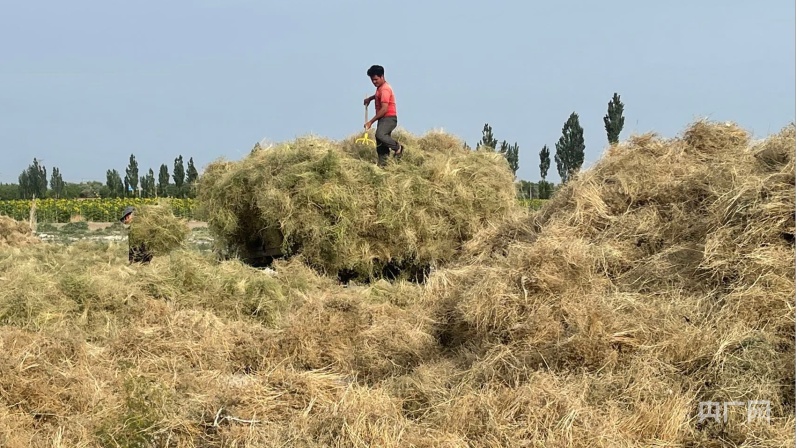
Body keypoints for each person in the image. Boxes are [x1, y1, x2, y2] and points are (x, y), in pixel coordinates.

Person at [363, 65, 404, 166]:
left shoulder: (385, 89)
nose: (374, 82)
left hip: (389, 118)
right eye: (372, 80)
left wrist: (370, 122)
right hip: (383, 119)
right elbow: (378, 95)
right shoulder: (380, 88)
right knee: (380, 143)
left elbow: (384, 109)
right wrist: (370, 99)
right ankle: (383, 165)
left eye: (376, 79)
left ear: (382, 76)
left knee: (380, 135)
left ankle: (398, 148)